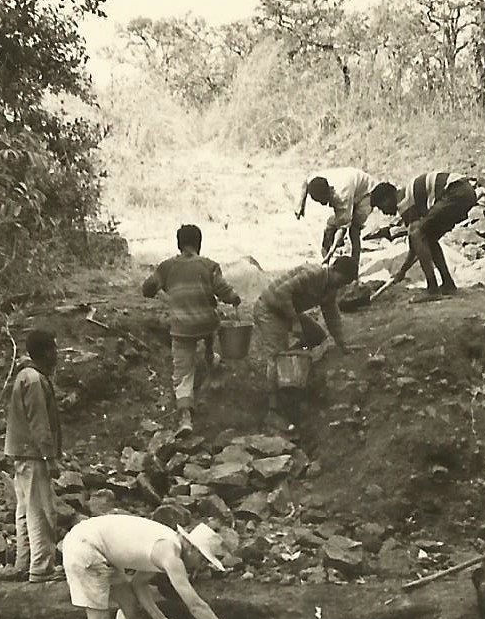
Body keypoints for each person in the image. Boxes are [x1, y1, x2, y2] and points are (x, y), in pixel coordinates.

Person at [61, 513, 246, 619]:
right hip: (85, 546)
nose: (202, 566)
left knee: (129, 605)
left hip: (101, 548)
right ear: (191, 548)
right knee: (98, 618)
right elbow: (196, 605)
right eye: (203, 559)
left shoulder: (164, 546)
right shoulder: (169, 555)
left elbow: (138, 584)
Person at [142, 224, 243, 434]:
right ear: (199, 244)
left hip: (182, 328)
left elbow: (147, 289)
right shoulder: (209, 266)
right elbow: (223, 290)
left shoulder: (166, 267)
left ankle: (185, 418)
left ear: (179, 244)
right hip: (206, 323)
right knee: (209, 326)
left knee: (183, 373)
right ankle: (209, 357)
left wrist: (162, 292)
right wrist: (234, 298)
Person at [252, 257, 356, 422]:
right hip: (269, 309)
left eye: (345, 283)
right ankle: (273, 408)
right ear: (333, 269)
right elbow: (281, 292)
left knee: (317, 335)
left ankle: (293, 369)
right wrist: (294, 321)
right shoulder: (313, 274)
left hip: (288, 312)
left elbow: (332, 316)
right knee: (277, 355)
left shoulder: (330, 288)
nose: (341, 285)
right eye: (342, 280)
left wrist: (342, 344)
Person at [4, 327, 62, 584]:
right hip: (33, 454)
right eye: (54, 348)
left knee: (25, 509)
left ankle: (24, 562)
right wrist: (50, 457)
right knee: (41, 511)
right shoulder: (35, 380)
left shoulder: (25, 375)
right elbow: (39, 424)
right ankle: (41, 567)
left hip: (21, 453)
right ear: (47, 352)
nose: (57, 353)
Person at [369, 172, 478, 300]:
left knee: (418, 235)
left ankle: (432, 288)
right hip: (465, 192)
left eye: (381, 207)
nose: (384, 212)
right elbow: (419, 243)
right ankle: (448, 283)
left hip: (456, 191)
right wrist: (403, 270)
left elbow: (415, 241)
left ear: (387, 198)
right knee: (429, 238)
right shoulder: (407, 196)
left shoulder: (403, 201)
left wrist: (402, 271)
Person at [296, 168, 374, 267]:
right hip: (351, 184)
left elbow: (342, 228)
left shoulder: (342, 196)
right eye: (319, 201)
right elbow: (306, 182)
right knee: (330, 226)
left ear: (329, 191)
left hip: (366, 193)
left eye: (324, 200)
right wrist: (300, 204)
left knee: (354, 229)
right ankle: (325, 263)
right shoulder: (316, 179)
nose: (323, 204)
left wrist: (331, 252)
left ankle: (354, 266)